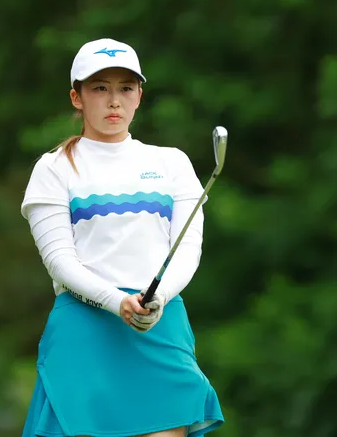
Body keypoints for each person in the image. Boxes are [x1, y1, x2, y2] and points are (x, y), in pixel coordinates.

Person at [19, 38, 224, 437]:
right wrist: (117, 302)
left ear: (139, 96)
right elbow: (60, 261)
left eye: (125, 88)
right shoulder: (54, 168)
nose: (114, 101)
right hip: (85, 329)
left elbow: (186, 251)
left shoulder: (171, 163)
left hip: (158, 324)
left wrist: (157, 299)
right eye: (100, 88)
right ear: (77, 97)